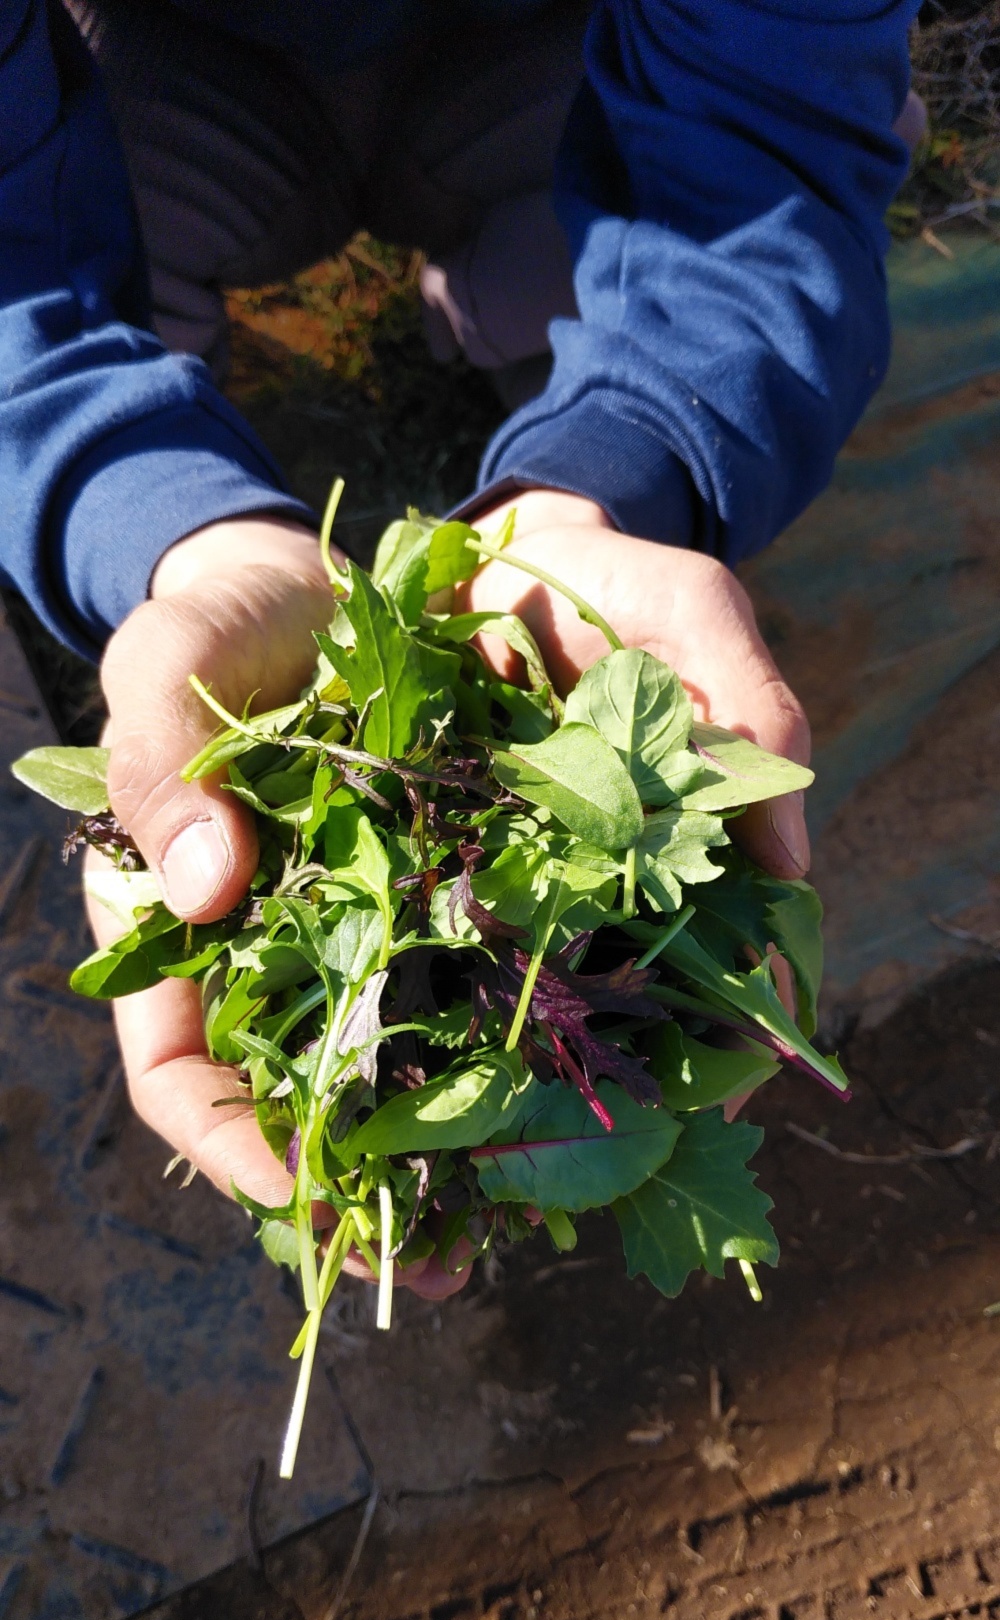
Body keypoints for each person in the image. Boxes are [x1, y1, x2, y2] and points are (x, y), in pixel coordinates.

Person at [2, 0, 921, 1297]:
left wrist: (615, 463)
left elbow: (776, 127)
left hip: (538, 49)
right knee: (97, 291)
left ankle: (510, 319)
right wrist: (160, 515)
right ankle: (187, 368)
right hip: (154, 64)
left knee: (599, 281)